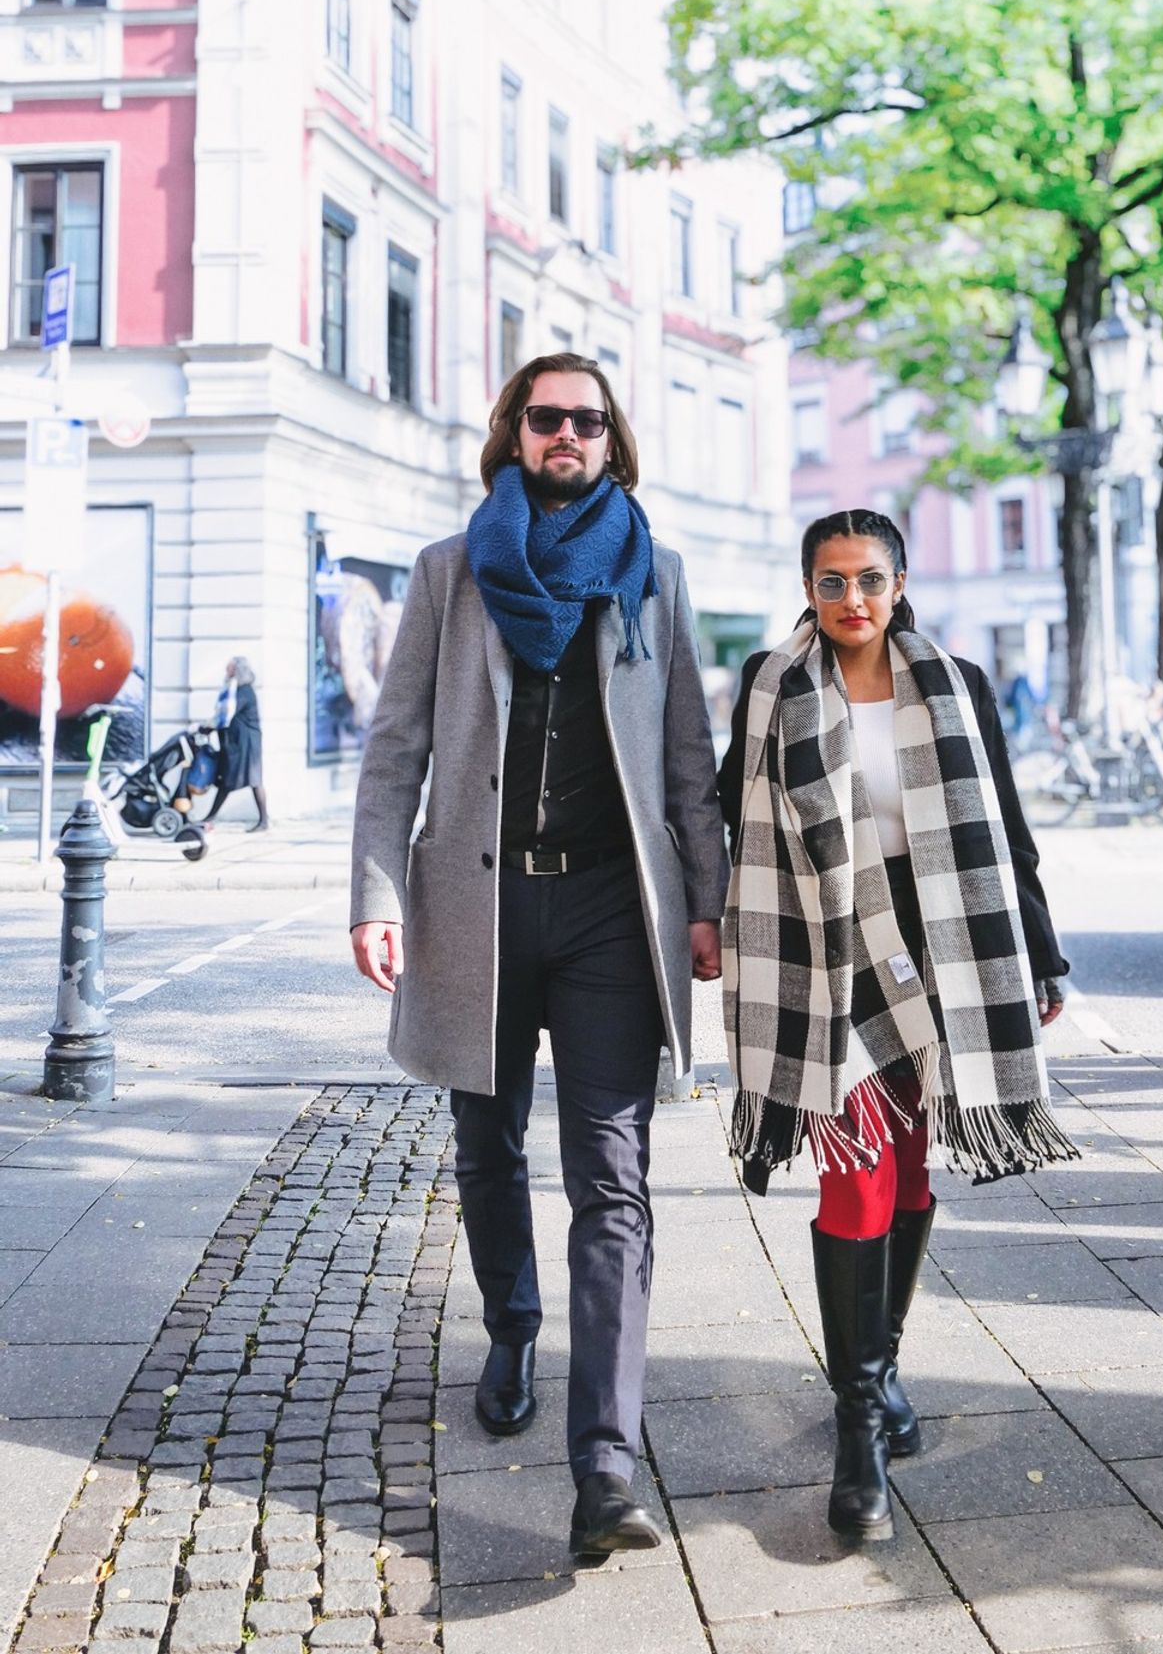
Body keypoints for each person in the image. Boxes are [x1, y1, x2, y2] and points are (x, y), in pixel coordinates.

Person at [350, 353, 728, 1556]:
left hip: (613, 908)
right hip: (480, 904)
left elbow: (689, 757)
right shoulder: (450, 571)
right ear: (513, 430)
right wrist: (375, 894)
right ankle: (512, 1325)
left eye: (587, 419)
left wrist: (708, 899)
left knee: (613, 1177)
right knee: (488, 1141)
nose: (567, 433)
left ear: (612, 439)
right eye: (546, 415)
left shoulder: (654, 572)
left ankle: (606, 1464)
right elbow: (395, 747)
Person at [718, 509, 1076, 1544]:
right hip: (828, 952)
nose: (852, 600)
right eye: (831, 581)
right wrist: (718, 920)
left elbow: (1005, 827)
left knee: (913, 1173)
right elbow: (730, 809)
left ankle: (877, 1369)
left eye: (869, 579)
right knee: (858, 1173)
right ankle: (859, 1427)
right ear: (808, 587)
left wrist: (1039, 952)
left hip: (947, 950)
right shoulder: (771, 683)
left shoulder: (956, 682)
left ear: (900, 581)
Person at [202, 656, 268, 831]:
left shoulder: (243, 692)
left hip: (246, 744)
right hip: (240, 743)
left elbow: (225, 715)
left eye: (229, 668)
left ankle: (263, 821)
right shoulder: (237, 690)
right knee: (233, 780)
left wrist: (209, 726)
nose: (226, 671)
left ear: (237, 671)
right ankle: (211, 816)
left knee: (245, 780)